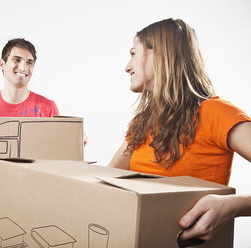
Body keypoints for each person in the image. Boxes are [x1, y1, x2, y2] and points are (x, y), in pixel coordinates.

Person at [108, 18, 251, 241]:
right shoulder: (142, 123)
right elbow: (105, 184)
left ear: (160, 55)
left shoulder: (217, 113)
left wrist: (233, 205)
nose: (127, 66)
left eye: (133, 54)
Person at [0, 38, 60, 248]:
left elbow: (59, 157)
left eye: (29, 62)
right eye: (16, 60)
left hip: (32, 208)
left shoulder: (46, 108)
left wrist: (75, 140)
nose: (23, 67)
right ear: (2, 64)